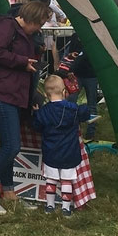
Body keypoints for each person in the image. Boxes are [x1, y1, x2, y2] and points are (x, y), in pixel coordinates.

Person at [0, 0, 51, 215]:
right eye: (38, 24)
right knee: (12, 146)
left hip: (16, 95)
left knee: (7, 144)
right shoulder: (7, 26)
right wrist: (21, 61)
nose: (39, 29)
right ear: (29, 18)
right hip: (1, 94)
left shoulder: (23, 33)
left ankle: (9, 191)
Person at [33, 75, 93, 216]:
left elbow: (36, 125)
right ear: (64, 91)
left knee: (51, 180)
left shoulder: (44, 111)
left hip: (50, 152)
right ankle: (66, 208)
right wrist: (77, 98)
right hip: (69, 152)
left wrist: (36, 112)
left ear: (46, 94)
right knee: (67, 181)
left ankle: (49, 206)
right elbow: (86, 113)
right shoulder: (73, 109)